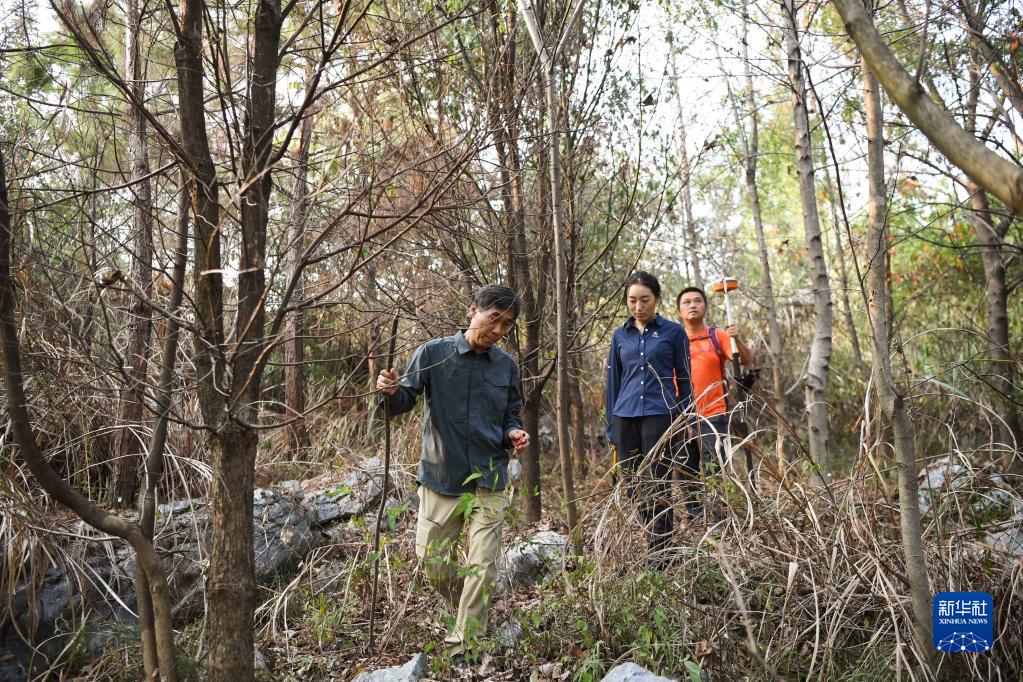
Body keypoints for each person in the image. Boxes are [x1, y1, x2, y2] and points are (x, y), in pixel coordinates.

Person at [376, 284, 529, 662]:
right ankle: (471, 609)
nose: (498, 330)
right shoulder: (433, 353)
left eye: (507, 324)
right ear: (473, 309)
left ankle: (465, 646)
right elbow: (402, 401)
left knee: (483, 566)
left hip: (489, 477)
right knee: (433, 564)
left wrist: (514, 433)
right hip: (441, 476)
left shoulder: (506, 367)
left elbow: (511, 416)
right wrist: (389, 391)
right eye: (493, 318)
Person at [605, 271, 692, 560]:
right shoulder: (620, 335)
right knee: (631, 483)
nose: (638, 306)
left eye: (644, 300)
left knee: (658, 482)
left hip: (660, 414)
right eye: (632, 300)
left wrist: (686, 417)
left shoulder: (674, 332)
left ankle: (661, 553)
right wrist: (611, 427)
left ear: (657, 299)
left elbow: (685, 379)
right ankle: (656, 538)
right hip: (624, 416)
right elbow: (613, 383)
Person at [675, 286, 755, 517]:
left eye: (697, 301)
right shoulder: (674, 340)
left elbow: (745, 359)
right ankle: (695, 517)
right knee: (685, 468)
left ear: (705, 306)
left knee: (715, 468)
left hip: (714, 413)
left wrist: (736, 338)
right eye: (686, 302)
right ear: (679, 310)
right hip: (681, 415)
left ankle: (719, 519)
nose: (692, 305)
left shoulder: (717, 336)